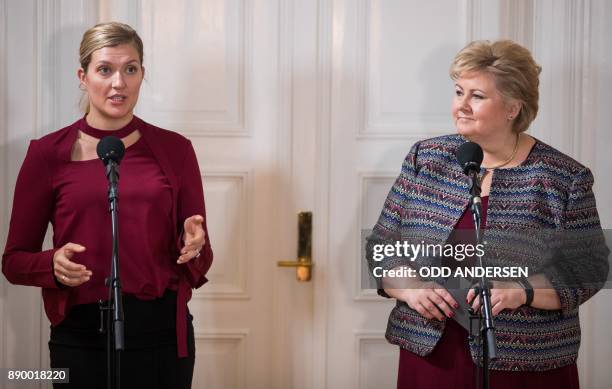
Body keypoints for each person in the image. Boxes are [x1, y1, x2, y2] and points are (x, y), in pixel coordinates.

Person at [366, 40, 609, 388]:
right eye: (458, 92)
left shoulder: (562, 177)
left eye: (477, 96)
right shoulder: (426, 158)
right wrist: (409, 288)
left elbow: (589, 268)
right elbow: (381, 246)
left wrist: (521, 290)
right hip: (432, 353)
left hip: (525, 363)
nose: (461, 106)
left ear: (513, 108)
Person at [2, 22, 213, 389]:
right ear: (83, 77)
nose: (119, 83)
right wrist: (50, 264)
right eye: (105, 70)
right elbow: (14, 260)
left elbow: (201, 256)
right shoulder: (46, 154)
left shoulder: (176, 150)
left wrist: (193, 245)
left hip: (162, 337)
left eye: (130, 69)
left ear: (142, 74)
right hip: (78, 339)